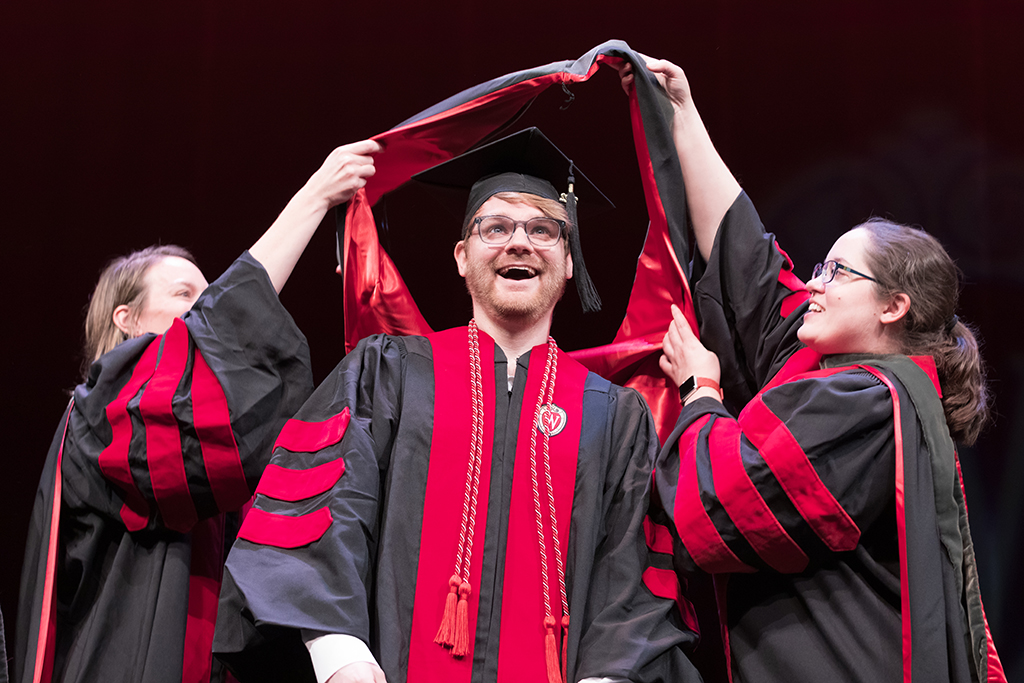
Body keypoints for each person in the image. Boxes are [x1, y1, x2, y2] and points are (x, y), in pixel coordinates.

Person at [212, 129, 700, 683]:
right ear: (463, 258)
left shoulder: (615, 418)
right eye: (495, 228)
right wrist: (339, 652)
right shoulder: (389, 374)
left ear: (569, 262)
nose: (519, 243)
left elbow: (632, 569)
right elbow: (327, 512)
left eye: (543, 229)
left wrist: (607, 678)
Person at [618, 57, 1006, 682]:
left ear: (892, 306)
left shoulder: (869, 404)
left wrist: (700, 392)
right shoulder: (830, 372)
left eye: (836, 272)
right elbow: (750, 264)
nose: (815, 285)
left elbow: (720, 515)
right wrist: (683, 115)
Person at [15, 140, 381, 683]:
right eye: (186, 296)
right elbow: (218, 336)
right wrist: (311, 198)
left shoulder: (209, 449)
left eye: (206, 296)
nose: (204, 311)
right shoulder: (100, 416)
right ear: (126, 319)